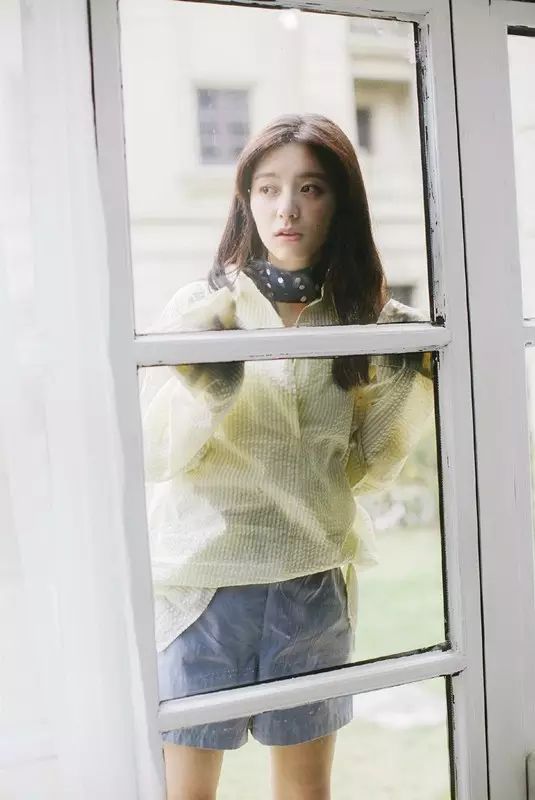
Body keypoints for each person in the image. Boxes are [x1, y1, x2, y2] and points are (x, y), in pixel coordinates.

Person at [141, 113, 433, 800]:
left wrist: (405, 370)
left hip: (311, 577)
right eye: (268, 188)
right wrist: (208, 385)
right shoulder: (202, 308)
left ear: (340, 201)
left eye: (310, 188)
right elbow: (153, 455)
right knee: (186, 793)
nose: (286, 209)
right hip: (205, 581)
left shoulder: (362, 319)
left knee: (305, 793)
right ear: (245, 199)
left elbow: (367, 465)